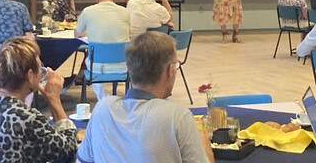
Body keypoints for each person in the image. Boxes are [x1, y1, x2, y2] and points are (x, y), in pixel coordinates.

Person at [76, 31, 214, 163]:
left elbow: (81, 160)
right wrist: (205, 144)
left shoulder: (102, 109)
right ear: (170, 70)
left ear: (129, 68)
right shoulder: (177, 116)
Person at [0, 37, 77, 162]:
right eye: (39, 69)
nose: (41, 73)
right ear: (30, 76)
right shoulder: (26, 118)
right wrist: (54, 99)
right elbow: (67, 150)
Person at [75, 0, 131, 100]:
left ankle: (103, 98)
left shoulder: (87, 11)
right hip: (122, 67)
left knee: (91, 60)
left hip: (96, 68)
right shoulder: (125, 12)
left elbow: (77, 34)